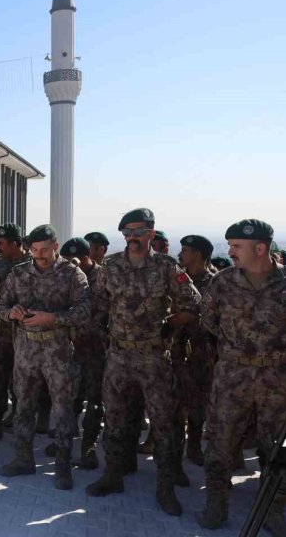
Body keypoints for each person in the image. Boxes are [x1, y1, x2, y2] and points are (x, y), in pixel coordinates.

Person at [86, 208, 201, 517]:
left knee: (163, 424)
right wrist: (104, 337)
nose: (132, 238)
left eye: (137, 232)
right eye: (127, 233)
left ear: (151, 233)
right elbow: (97, 305)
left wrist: (170, 324)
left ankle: (165, 487)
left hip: (153, 358)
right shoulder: (111, 267)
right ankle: (113, 475)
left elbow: (193, 303)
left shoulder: (166, 267)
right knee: (115, 420)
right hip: (119, 356)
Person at [196, 219, 286, 533]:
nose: (230, 252)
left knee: (276, 448)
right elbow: (209, 321)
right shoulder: (222, 282)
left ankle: (272, 509)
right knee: (220, 441)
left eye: (236, 246)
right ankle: (216, 502)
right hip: (231, 376)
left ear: (260, 248)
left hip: (277, 381)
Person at [0, 225, 90, 490]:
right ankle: (23, 458)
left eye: (44, 250)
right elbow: (0, 306)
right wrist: (11, 312)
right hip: (26, 350)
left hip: (58, 351)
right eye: (34, 250)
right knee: (23, 405)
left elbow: (85, 310)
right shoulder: (19, 273)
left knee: (63, 409)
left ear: (56, 247)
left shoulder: (72, 274)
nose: (39, 255)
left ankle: (62, 467)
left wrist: (53, 318)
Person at [55, 237, 105, 469]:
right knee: (68, 398)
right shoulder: (65, 277)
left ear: (87, 258)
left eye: (75, 260)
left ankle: (89, 446)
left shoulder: (103, 277)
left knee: (94, 401)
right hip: (70, 348)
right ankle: (64, 442)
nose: (70, 265)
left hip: (96, 349)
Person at [174, 235, 216, 468]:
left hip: (202, 353)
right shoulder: (177, 279)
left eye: (186, 250)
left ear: (199, 254)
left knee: (198, 403)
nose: (181, 254)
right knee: (175, 405)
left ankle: (194, 445)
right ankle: (175, 453)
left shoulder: (215, 283)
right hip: (176, 351)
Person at [0, 223, 34, 437]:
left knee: (22, 380)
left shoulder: (32, 264)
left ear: (16, 243)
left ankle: (20, 417)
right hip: (0, 333)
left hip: (26, 334)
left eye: (1, 243)